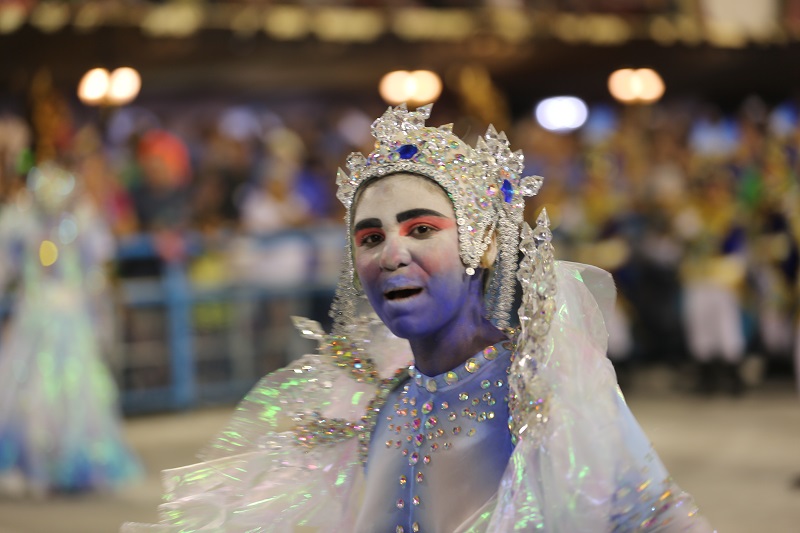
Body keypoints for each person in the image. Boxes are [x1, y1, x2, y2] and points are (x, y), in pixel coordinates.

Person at [123, 104, 713, 532]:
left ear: (481, 243)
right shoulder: (375, 407)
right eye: (370, 236)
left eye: (422, 229)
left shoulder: (544, 391)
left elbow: (658, 517)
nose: (391, 254)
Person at [0, 162, 141, 497]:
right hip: (48, 314)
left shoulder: (60, 223)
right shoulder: (39, 224)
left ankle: (47, 464)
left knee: (50, 390)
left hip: (48, 315)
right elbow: (96, 272)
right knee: (44, 389)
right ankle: (40, 463)